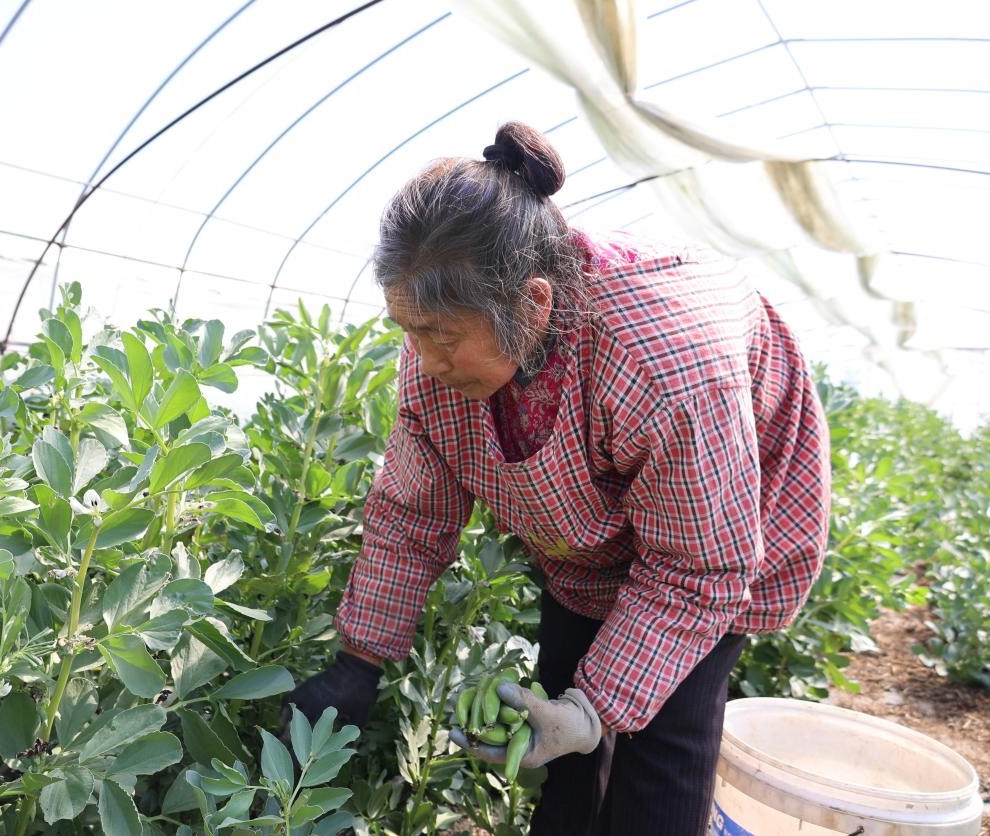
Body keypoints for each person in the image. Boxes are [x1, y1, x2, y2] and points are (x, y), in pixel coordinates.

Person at [284, 121, 831, 835]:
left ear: (533, 305)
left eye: (442, 336)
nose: (424, 357)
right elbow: (411, 516)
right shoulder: (434, 364)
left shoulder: (661, 362)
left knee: (661, 750)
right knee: (564, 734)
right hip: (591, 536)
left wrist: (594, 709)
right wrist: (361, 657)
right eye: (407, 330)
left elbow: (698, 572)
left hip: (718, 519)